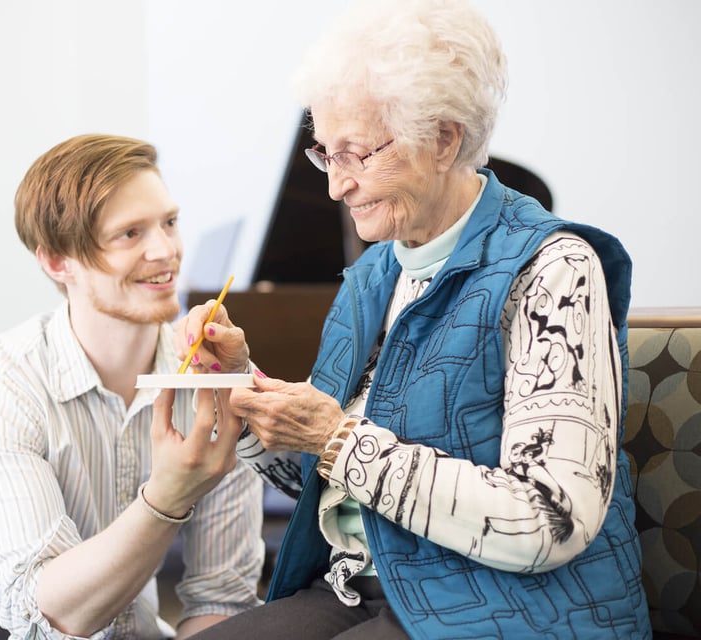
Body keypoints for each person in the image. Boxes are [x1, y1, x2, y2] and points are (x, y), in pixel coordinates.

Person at [176, 1, 650, 638]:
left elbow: (548, 518)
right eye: (326, 154)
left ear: (443, 139)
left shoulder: (555, 270)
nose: (335, 187)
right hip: (361, 583)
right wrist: (245, 393)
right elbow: (327, 474)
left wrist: (339, 438)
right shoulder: (373, 276)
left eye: (357, 155)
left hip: (507, 601)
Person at [0, 134, 264, 640]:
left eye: (169, 222)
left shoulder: (210, 380)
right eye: (130, 234)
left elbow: (220, 600)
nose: (165, 250)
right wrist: (166, 498)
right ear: (58, 262)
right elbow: (43, 618)